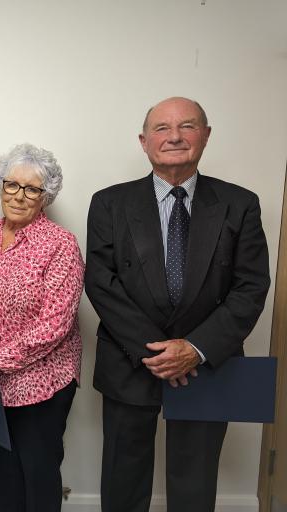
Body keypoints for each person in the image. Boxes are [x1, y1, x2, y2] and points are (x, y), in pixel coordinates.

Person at [85, 96, 270, 512]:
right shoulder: (109, 203)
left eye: (186, 126)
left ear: (205, 135)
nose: (174, 137)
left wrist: (193, 350)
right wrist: (158, 351)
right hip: (131, 362)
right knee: (123, 481)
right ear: (143, 141)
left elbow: (251, 286)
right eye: (162, 129)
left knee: (194, 484)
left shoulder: (240, 205)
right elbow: (100, 282)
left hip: (205, 365)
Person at [0, 143, 83, 512]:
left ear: (46, 196)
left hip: (41, 386)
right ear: (1, 187)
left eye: (31, 189)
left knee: (38, 483)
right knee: (3, 482)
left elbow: (55, 324)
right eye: (12, 185)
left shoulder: (61, 245)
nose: (19, 195)